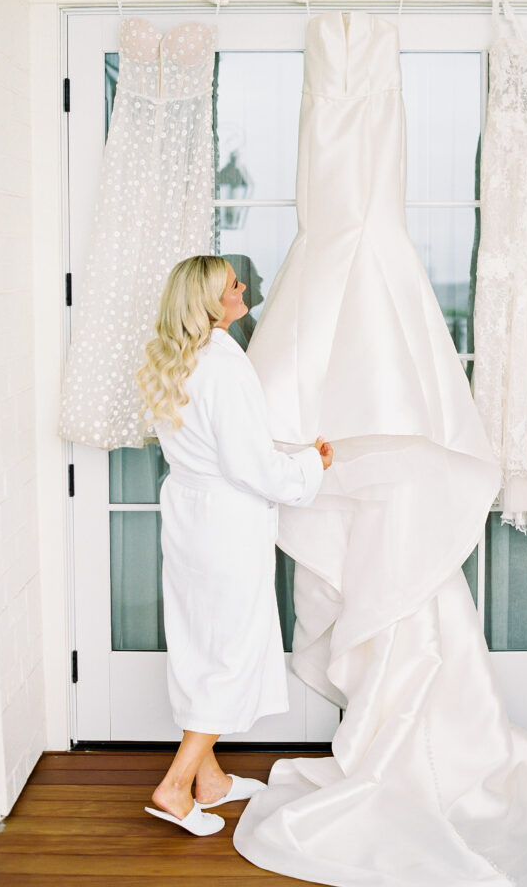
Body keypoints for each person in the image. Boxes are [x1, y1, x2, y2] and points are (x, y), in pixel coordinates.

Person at [136, 255, 332, 837]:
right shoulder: (224, 364)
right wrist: (308, 467)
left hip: (190, 518)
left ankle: (210, 781)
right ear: (208, 302)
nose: (243, 287)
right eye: (232, 284)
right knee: (230, 652)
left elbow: (213, 448)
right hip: (225, 523)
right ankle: (174, 787)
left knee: (202, 641)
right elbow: (250, 466)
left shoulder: (176, 360)